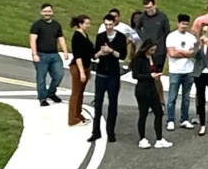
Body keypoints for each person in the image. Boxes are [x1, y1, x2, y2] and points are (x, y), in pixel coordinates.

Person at [89, 13, 126, 143]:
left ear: (114, 24)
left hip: (113, 74)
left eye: (110, 24)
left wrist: (111, 51)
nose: (108, 27)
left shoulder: (121, 37)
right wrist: (101, 52)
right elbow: (94, 55)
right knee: (98, 102)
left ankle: (110, 131)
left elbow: (122, 56)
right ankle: (96, 131)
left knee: (112, 103)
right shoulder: (100, 37)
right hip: (101, 73)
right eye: (106, 25)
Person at [132, 39, 172, 149]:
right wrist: (150, 76)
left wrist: (155, 75)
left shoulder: (153, 58)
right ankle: (142, 139)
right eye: (152, 49)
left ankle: (159, 139)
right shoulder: (138, 59)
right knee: (143, 114)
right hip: (142, 90)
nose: (154, 51)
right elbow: (135, 75)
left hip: (152, 88)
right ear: (147, 48)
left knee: (158, 113)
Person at [29, 3, 69, 107]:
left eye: (49, 11)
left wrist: (65, 51)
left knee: (59, 75)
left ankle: (51, 93)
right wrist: (34, 54)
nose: (47, 13)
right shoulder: (37, 25)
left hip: (54, 55)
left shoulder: (56, 25)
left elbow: (60, 38)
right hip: (41, 55)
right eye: (45, 11)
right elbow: (33, 39)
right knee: (41, 78)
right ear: (41, 12)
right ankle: (42, 98)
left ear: (52, 12)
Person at [165, 14, 197, 131]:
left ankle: (184, 119)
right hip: (175, 70)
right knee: (172, 97)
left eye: (186, 24)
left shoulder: (191, 38)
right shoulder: (171, 37)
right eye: (182, 23)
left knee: (186, 97)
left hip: (188, 70)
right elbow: (172, 54)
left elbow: (194, 53)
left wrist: (180, 51)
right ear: (178, 23)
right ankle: (171, 120)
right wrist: (186, 52)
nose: (184, 26)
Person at [135, 0, 171, 97]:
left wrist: (166, 49)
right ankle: (148, 98)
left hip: (160, 51)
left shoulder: (162, 17)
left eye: (150, 7)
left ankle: (160, 99)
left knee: (157, 77)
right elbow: (137, 28)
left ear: (155, 5)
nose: (148, 10)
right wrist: (144, 38)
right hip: (146, 51)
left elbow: (167, 33)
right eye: (146, 8)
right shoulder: (143, 17)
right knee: (146, 76)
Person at [67, 14, 94, 126]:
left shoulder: (84, 35)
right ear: (80, 24)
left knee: (80, 93)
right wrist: (82, 72)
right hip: (78, 68)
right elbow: (78, 56)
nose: (89, 25)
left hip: (86, 66)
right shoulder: (77, 37)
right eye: (86, 23)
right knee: (76, 93)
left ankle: (78, 114)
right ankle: (73, 119)